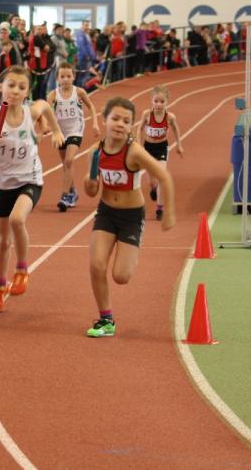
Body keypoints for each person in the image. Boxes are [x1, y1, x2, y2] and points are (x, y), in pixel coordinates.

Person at [82, 97, 175, 337]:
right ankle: (106, 320)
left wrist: (169, 213)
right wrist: (90, 182)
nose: (120, 124)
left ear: (132, 125)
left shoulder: (134, 152)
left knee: (121, 276)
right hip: (106, 213)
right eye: (115, 118)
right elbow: (91, 191)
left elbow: (164, 177)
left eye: (126, 121)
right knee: (96, 265)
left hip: (131, 217)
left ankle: (131, 248)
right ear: (105, 120)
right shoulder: (95, 152)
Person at [0, 66, 64, 312]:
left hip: (30, 179)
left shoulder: (30, 111)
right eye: (11, 85)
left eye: (21, 87)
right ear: (0, 87)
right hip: (4, 183)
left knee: (17, 219)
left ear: (27, 92)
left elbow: (45, 106)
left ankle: (22, 270)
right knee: (3, 241)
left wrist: (56, 130)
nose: (15, 91)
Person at [47, 62, 99, 211]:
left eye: (68, 76)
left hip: (76, 130)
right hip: (60, 132)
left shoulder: (79, 92)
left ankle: (65, 196)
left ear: (73, 77)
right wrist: (47, 126)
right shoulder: (53, 95)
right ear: (57, 78)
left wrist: (95, 124)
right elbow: (46, 110)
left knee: (69, 160)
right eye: (62, 76)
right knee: (66, 165)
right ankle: (73, 192)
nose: (65, 79)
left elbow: (91, 106)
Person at [135, 85, 183, 220]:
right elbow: (139, 128)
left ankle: (159, 209)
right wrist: (138, 145)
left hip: (161, 147)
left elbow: (175, 129)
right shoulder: (147, 114)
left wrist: (179, 145)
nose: (159, 104)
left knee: (162, 177)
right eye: (156, 101)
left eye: (162, 101)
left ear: (167, 102)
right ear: (151, 101)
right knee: (152, 182)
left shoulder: (170, 117)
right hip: (148, 148)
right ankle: (153, 188)